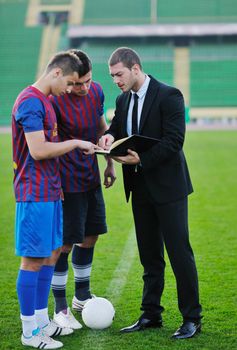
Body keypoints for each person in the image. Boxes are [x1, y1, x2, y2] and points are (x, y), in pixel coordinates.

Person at [99, 47, 202, 339]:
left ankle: (192, 318)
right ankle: (151, 314)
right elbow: (118, 128)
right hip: (139, 187)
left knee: (180, 254)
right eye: (112, 76)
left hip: (169, 187)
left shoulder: (170, 95)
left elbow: (175, 141)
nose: (116, 80)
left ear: (135, 68)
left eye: (119, 74)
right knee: (149, 256)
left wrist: (141, 160)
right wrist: (108, 136)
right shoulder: (122, 99)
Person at [12, 51, 100, 349]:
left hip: (52, 190)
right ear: (57, 73)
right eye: (71, 82)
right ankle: (29, 332)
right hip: (33, 192)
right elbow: (37, 150)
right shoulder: (30, 101)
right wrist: (76, 142)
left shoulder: (46, 103)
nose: (71, 89)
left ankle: (41, 321)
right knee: (33, 259)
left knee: (50, 254)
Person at [49, 49, 116, 330]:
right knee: (64, 244)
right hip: (66, 181)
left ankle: (81, 295)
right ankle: (61, 306)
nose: (83, 88)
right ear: (67, 79)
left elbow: (101, 129)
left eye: (87, 81)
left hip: (90, 177)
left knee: (90, 237)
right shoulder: (55, 98)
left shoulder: (97, 92)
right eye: (77, 83)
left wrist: (109, 164)